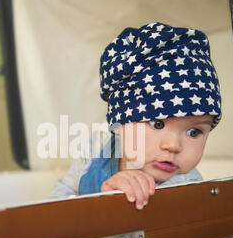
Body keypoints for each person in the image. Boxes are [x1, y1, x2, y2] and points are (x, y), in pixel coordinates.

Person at [50, 22, 222, 210]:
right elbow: (58, 201)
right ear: (117, 125)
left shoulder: (186, 186)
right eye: (157, 123)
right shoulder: (95, 150)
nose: (173, 146)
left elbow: (174, 232)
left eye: (194, 132)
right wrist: (98, 199)